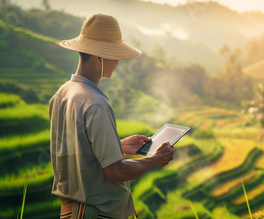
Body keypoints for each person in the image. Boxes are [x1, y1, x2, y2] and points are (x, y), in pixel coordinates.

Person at [49, 13, 175, 219]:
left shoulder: (61, 94)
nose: (117, 61)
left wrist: (119, 146)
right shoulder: (96, 103)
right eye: (114, 55)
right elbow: (115, 172)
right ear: (99, 57)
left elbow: (75, 149)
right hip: (96, 213)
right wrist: (155, 159)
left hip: (70, 213)